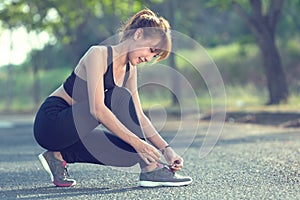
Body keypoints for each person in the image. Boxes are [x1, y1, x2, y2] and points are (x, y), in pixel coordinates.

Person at [33, 8, 192, 188]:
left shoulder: (130, 71)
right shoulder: (98, 54)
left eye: (154, 56)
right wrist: (139, 144)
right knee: (118, 97)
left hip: (74, 133)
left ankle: (58, 156)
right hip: (52, 122)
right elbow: (97, 109)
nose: (149, 58)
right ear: (138, 34)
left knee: (129, 152)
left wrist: (166, 150)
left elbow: (138, 116)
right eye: (151, 50)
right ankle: (150, 169)